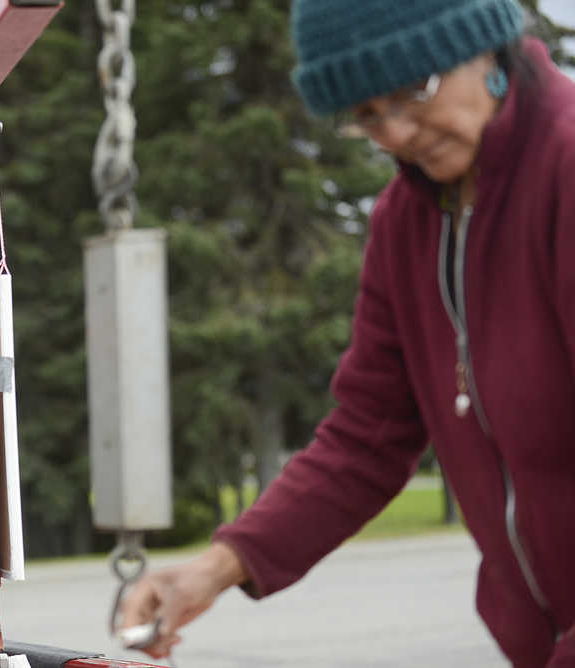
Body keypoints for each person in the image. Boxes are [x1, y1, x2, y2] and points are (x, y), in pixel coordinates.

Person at [119, 1, 575, 665]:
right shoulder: (404, 222)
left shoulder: (567, 169)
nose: (396, 132)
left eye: (411, 91)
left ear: (487, 48)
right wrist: (218, 568)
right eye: (366, 113)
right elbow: (369, 436)